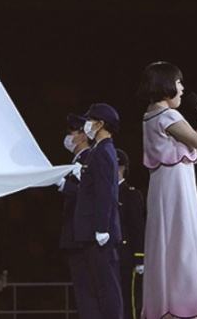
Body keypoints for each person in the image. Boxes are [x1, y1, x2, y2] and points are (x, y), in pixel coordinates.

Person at [138, 61, 197, 319]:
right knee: (182, 236)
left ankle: (167, 302)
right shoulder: (168, 115)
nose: (182, 89)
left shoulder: (150, 114)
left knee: (167, 240)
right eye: (178, 83)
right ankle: (186, 303)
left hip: (164, 185)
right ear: (164, 85)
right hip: (175, 187)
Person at [71, 103, 123, 319]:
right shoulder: (98, 151)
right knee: (97, 286)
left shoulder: (103, 151)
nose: (87, 125)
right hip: (92, 231)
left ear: (100, 124)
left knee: (106, 286)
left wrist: (102, 227)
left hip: (99, 232)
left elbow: (106, 193)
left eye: (90, 120)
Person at [55, 113, 97, 316]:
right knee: (82, 289)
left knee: (87, 289)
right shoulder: (77, 160)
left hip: (82, 235)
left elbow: (91, 193)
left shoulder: (89, 158)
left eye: (72, 132)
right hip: (75, 234)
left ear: (82, 135)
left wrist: (65, 186)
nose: (68, 136)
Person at [115, 149, 145, 319]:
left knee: (130, 301)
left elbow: (137, 227)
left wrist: (139, 257)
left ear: (122, 168)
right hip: (110, 255)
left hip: (127, 256)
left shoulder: (131, 194)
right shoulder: (105, 192)